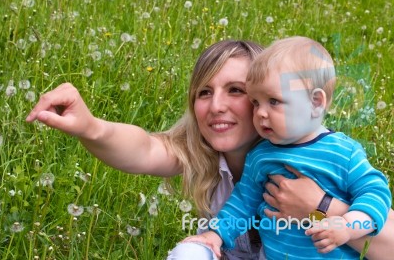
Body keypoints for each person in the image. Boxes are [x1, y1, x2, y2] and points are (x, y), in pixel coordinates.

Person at [25, 40, 394, 260]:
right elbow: (142, 149)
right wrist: (90, 126)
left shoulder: (328, 152)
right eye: (204, 92)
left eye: (236, 91)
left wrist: (320, 206)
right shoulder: (209, 155)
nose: (216, 105)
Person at [181, 37, 392, 259]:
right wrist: (216, 235)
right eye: (255, 103)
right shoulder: (261, 155)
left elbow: (375, 193)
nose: (261, 113)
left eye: (273, 101)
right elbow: (243, 202)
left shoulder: (343, 152)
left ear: (316, 102)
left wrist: (348, 226)